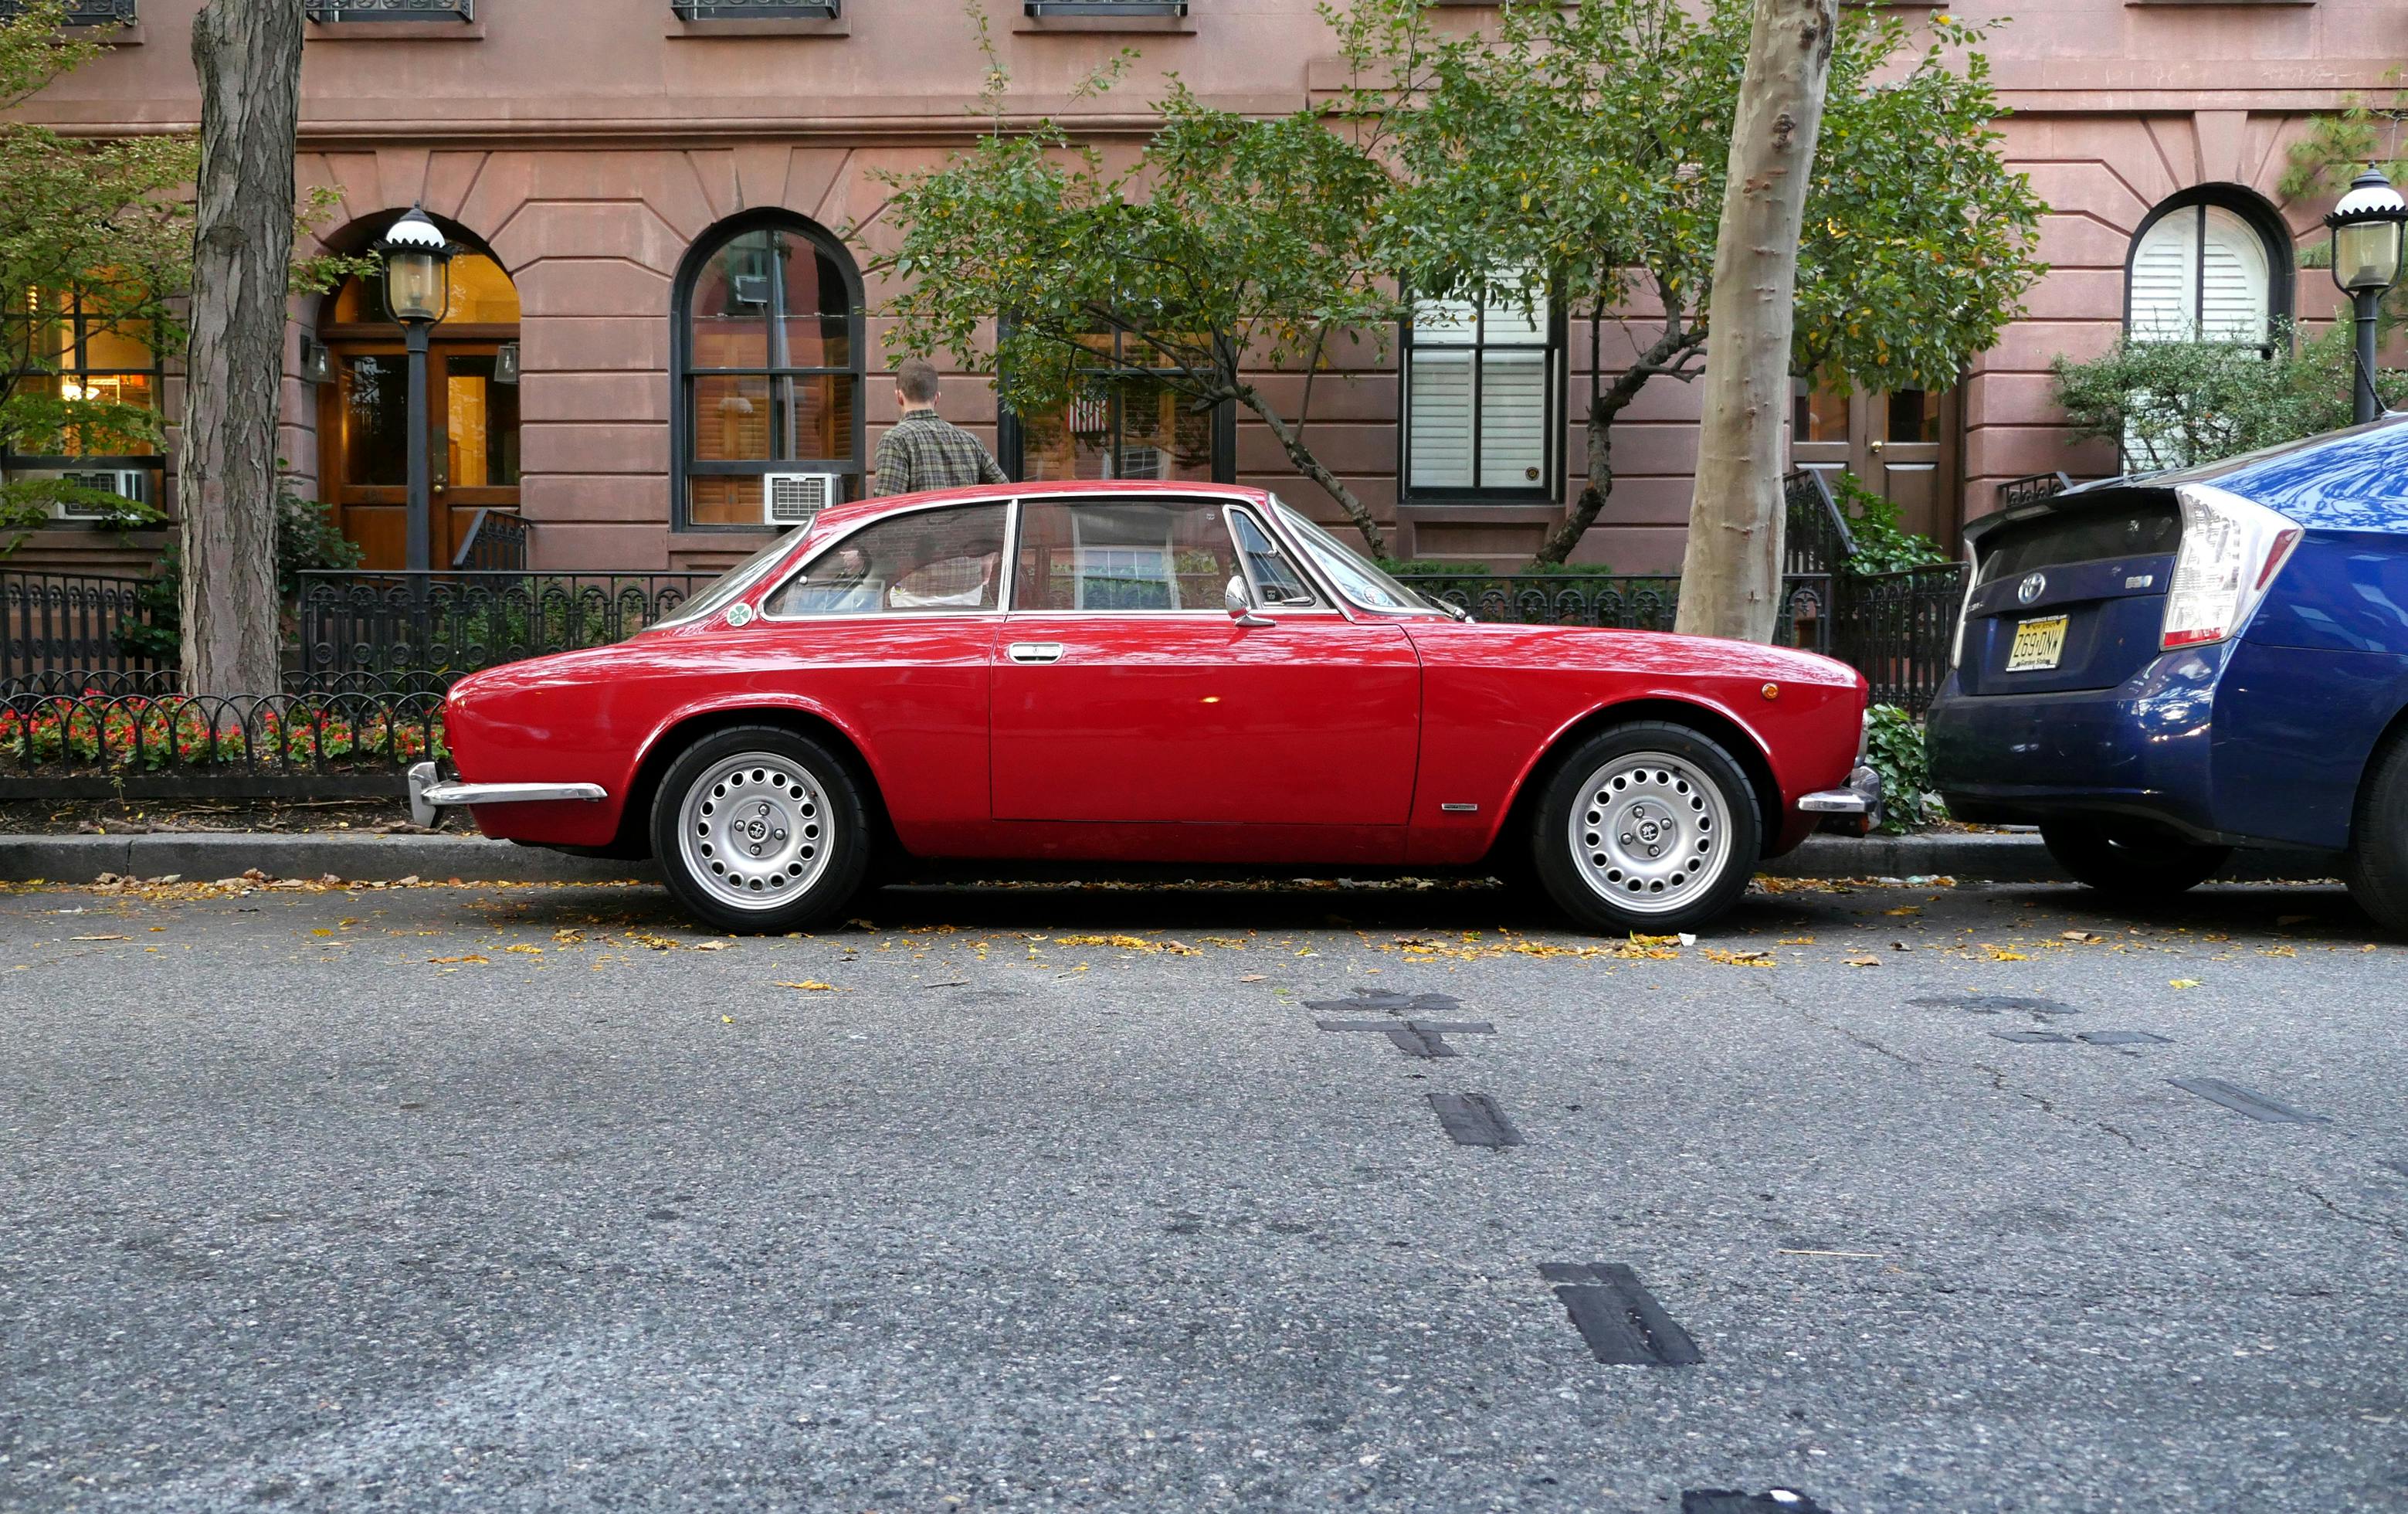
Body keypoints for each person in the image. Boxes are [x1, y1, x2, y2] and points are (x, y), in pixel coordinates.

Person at [871, 357, 1010, 495]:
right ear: (937, 397)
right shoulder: (971, 441)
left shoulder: (895, 440)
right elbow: (1005, 491)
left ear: (899, 396)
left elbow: (885, 505)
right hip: (966, 518)